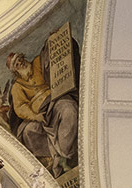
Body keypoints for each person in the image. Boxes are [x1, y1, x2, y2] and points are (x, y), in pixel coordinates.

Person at [6, 47, 79, 177]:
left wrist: (53, 39)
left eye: (20, 59)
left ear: (23, 57)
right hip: (38, 114)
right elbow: (20, 106)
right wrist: (35, 116)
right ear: (15, 70)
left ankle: (64, 153)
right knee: (28, 132)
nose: (20, 63)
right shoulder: (17, 86)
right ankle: (54, 156)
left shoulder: (37, 63)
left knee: (69, 109)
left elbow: (50, 55)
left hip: (54, 101)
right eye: (16, 64)